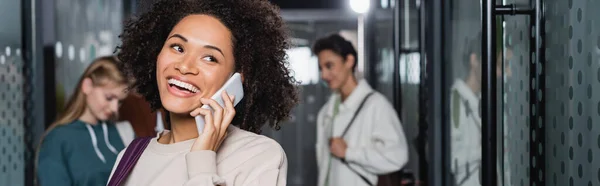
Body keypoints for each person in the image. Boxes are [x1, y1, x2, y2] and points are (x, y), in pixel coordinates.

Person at [108, 0, 298, 185]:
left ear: (236, 79)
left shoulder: (258, 156)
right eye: (177, 47)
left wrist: (202, 159)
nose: (184, 66)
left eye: (209, 58)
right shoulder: (130, 156)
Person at [312, 34, 409, 186]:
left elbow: (397, 156)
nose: (324, 75)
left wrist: (349, 153)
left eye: (329, 66)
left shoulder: (376, 106)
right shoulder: (325, 113)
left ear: (349, 61)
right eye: (321, 68)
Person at [36, 56, 135, 186]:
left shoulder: (122, 132)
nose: (114, 108)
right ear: (87, 86)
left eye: (120, 101)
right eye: (109, 97)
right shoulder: (57, 140)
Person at [449, 32, 513, 186]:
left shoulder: (487, 103)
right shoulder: (454, 103)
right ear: (474, 60)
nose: (505, 73)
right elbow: (448, 160)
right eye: (499, 65)